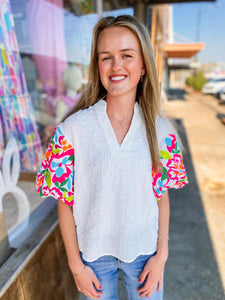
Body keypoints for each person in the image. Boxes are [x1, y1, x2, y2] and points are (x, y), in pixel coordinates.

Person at [36, 15, 188, 300]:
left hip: (145, 254)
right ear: (97, 65)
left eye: (127, 55)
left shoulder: (161, 131)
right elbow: (65, 204)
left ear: (143, 66)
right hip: (93, 258)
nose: (116, 66)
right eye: (106, 57)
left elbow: (161, 197)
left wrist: (162, 256)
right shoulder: (72, 131)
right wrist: (76, 266)